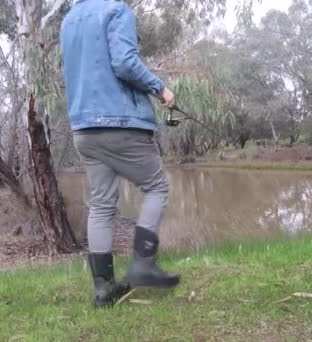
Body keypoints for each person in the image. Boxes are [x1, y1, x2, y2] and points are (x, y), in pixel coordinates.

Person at [60, 0, 180, 308]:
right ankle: (143, 264)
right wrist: (161, 89)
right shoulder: (116, 10)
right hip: (120, 122)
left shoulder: (69, 19)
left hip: (84, 128)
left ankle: (103, 289)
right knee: (156, 186)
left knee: (101, 205)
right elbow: (125, 63)